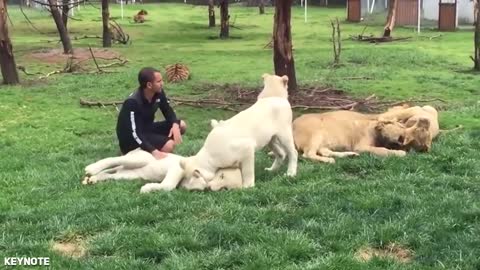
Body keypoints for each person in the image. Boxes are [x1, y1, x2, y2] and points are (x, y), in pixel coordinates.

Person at [116, 67, 186, 159]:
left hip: (147, 128)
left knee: (181, 125)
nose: (162, 84)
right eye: (159, 81)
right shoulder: (133, 102)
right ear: (149, 85)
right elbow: (135, 133)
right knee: (169, 145)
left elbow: (167, 110)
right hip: (131, 139)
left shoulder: (158, 93)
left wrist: (175, 125)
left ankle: (158, 144)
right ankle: (147, 154)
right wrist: (153, 151)